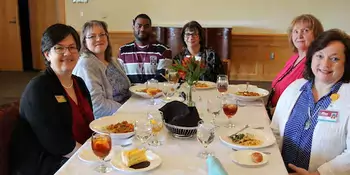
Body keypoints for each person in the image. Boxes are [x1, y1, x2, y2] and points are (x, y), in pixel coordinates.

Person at [10, 24, 93, 175]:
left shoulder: (78, 82)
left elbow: (90, 123)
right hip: (49, 163)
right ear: (47, 54)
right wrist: (92, 156)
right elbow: (57, 144)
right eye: (59, 48)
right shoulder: (39, 88)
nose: (67, 53)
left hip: (80, 152)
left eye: (72, 47)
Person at [271, 29, 350, 175]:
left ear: (346, 63)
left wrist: (319, 174)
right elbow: (275, 130)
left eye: (334, 59)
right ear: (311, 58)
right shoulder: (295, 87)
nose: (325, 64)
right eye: (320, 56)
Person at [267, 14, 324, 116]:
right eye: (296, 31)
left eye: (305, 30)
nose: (299, 35)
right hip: (275, 112)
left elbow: (306, 100)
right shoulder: (295, 57)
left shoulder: (315, 63)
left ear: (317, 35)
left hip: (288, 116)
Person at [73, 20, 131, 119]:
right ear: (84, 42)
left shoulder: (113, 61)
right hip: (109, 119)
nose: (99, 39)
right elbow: (97, 106)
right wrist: (129, 110)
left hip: (127, 111)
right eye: (92, 36)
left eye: (102, 34)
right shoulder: (86, 64)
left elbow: (127, 89)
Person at [118, 14, 172, 83]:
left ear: (151, 28)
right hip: (130, 93)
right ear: (133, 26)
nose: (142, 29)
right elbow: (120, 77)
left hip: (155, 92)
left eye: (146, 26)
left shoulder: (163, 50)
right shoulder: (123, 51)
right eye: (139, 26)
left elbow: (163, 76)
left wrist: (144, 89)